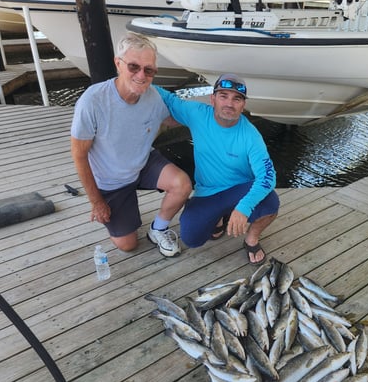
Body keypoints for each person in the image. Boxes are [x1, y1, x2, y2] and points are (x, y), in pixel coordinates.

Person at [70, 32, 192, 256]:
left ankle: (158, 228)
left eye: (149, 70)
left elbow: (173, 119)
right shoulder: (92, 101)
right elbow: (79, 155)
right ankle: (120, 211)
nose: (141, 75)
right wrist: (96, 201)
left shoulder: (153, 96)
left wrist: (211, 119)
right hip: (111, 180)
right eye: (134, 67)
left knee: (182, 184)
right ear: (118, 64)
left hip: (142, 162)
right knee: (128, 245)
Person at [156, 74, 279, 265]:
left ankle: (251, 239)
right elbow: (167, 98)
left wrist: (244, 208)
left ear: (243, 105)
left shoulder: (251, 136)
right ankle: (219, 217)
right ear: (212, 99)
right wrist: (132, 77)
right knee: (191, 238)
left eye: (236, 98)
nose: (229, 104)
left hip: (239, 190)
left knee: (270, 202)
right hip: (207, 192)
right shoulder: (197, 113)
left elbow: (268, 177)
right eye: (223, 96)